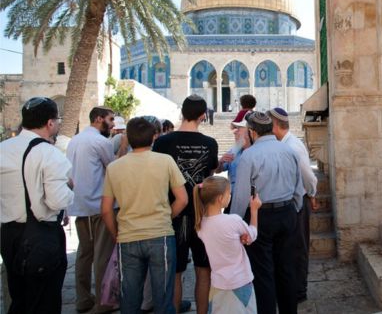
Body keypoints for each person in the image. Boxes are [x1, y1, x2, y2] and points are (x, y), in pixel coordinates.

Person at [101, 116, 188, 313]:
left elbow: (106, 209)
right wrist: (166, 217)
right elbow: (182, 199)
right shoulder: (165, 161)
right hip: (160, 235)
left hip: (128, 236)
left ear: (127, 138)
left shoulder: (114, 167)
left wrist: (116, 234)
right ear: (153, 137)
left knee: (129, 300)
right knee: (163, 298)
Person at [0, 97, 74, 313]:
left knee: (19, 298)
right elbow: (57, 200)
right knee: (44, 301)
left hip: (9, 234)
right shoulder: (48, 153)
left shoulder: (3, 148)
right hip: (40, 236)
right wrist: (70, 188)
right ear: (50, 123)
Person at [229, 111, 305, 314]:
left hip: (261, 217)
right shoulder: (289, 151)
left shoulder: (250, 155)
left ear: (252, 132)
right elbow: (299, 188)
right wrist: (293, 209)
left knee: (263, 272)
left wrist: (236, 224)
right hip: (288, 212)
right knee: (286, 268)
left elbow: (241, 195)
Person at [153, 95, 219, 314]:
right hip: (202, 216)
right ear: (203, 116)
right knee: (203, 271)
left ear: (182, 112)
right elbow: (208, 177)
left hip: (174, 214)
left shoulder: (162, 142)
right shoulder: (209, 144)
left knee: (176, 272)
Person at [66, 106, 117, 313]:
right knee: (102, 255)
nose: (113, 124)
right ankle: (103, 302)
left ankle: (83, 298)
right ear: (99, 119)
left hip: (79, 205)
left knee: (84, 255)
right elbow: (113, 168)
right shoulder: (100, 141)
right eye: (110, 119)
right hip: (98, 205)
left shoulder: (75, 140)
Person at [267, 107, 318, 302]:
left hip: (298, 203)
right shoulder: (283, 144)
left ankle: (299, 291)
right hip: (290, 203)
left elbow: (308, 176)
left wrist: (312, 194)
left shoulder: (293, 146)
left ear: (274, 125)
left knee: (299, 248)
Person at [194, 176, 262, 314]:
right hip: (240, 281)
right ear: (220, 198)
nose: (230, 195)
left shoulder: (200, 226)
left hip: (218, 284)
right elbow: (252, 236)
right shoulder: (233, 220)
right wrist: (254, 210)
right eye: (228, 193)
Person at [218, 117, 251, 213]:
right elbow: (218, 170)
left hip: (248, 202)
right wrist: (220, 162)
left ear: (249, 132)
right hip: (232, 199)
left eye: (239, 129)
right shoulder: (234, 149)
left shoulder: (257, 152)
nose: (234, 132)